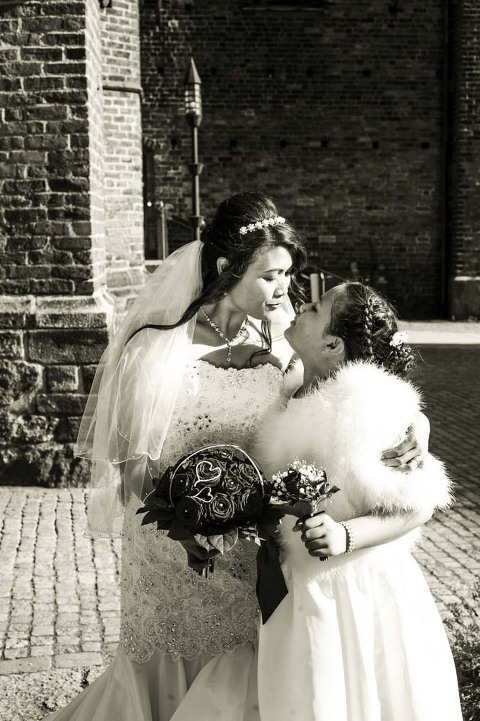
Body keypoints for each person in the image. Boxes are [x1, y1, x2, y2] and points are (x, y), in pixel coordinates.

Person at [46, 196, 426, 721]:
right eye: (270, 276)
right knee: (170, 668)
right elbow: (129, 463)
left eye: (288, 275)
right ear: (227, 267)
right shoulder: (156, 346)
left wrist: (417, 425)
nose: (284, 290)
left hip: (253, 547)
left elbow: (351, 384)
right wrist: (187, 523)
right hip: (169, 540)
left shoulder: (284, 333)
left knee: (245, 677)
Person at [254, 282, 463, 721]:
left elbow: (417, 506)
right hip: (296, 586)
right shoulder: (295, 390)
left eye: (314, 308)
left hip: (353, 593)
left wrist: (344, 534)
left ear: (332, 344)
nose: (300, 306)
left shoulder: (361, 408)